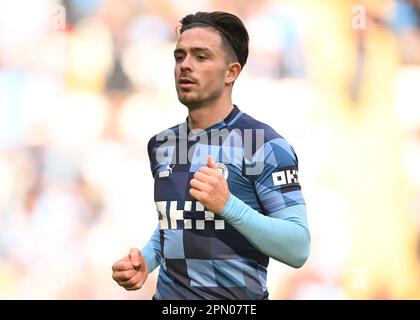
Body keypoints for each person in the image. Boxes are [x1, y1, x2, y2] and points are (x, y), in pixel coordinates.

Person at [112, 11, 310, 300]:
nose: (185, 66)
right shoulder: (162, 144)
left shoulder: (264, 144)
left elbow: (297, 248)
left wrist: (228, 204)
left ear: (231, 72)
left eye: (201, 57)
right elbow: (177, 221)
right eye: (180, 57)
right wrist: (147, 259)